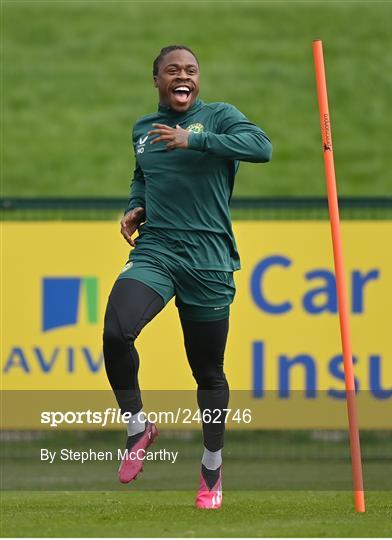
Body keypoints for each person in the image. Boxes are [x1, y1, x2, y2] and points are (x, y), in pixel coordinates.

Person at [103, 44, 272, 509]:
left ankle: (212, 468)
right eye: (174, 70)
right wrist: (136, 204)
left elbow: (262, 148)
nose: (184, 76)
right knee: (117, 331)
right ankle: (138, 426)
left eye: (192, 70)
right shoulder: (142, 130)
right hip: (157, 249)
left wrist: (195, 140)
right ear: (156, 80)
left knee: (208, 371)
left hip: (209, 259)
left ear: (198, 80)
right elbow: (144, 174)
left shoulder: (218, 117)